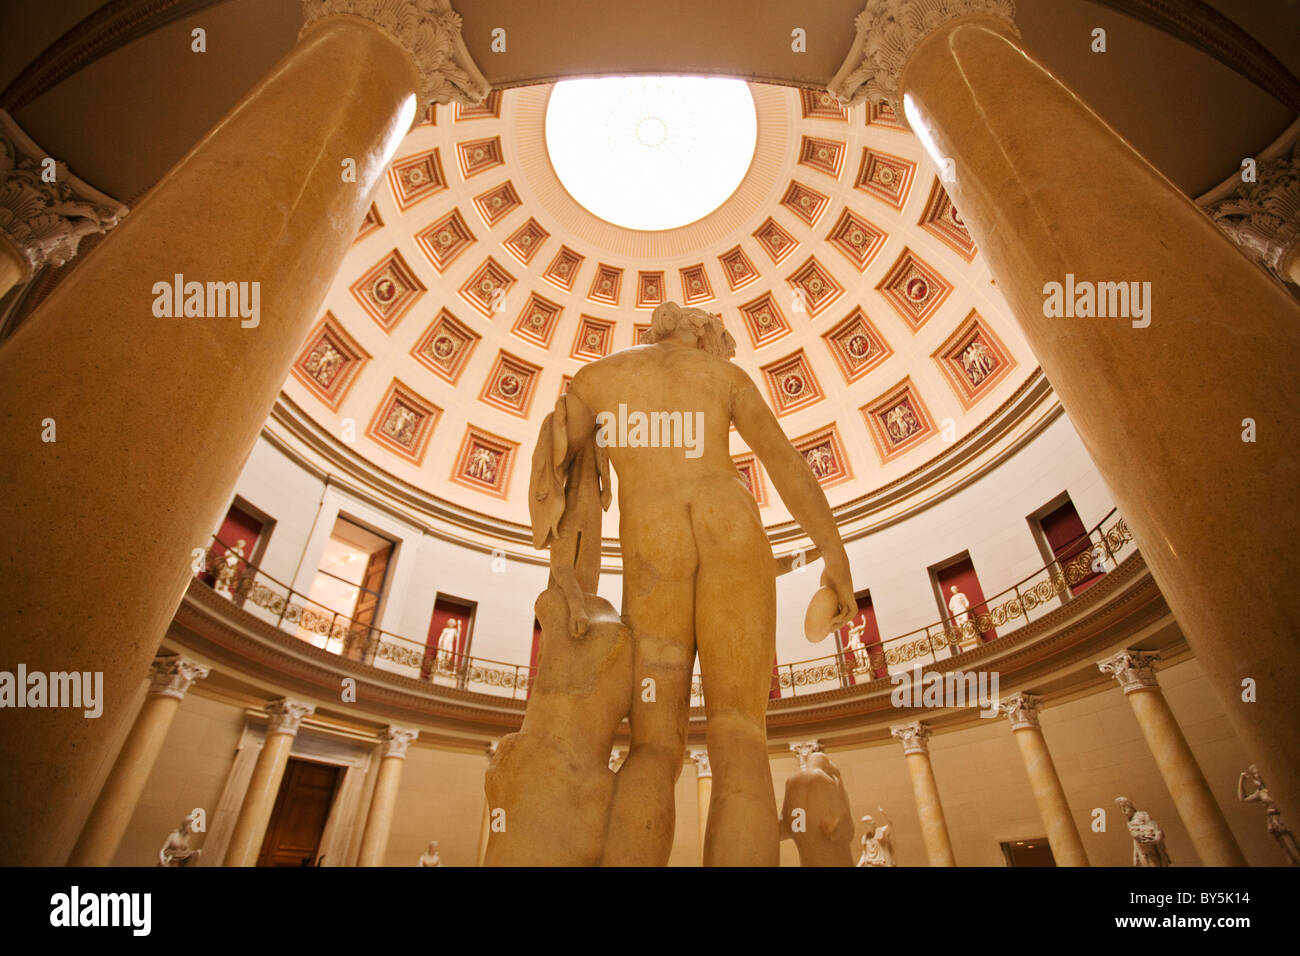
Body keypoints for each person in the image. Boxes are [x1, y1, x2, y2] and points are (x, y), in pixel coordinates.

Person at [562, 302, 856, 866]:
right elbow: (785, 463)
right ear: (703, 335)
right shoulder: (723, 376)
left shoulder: (597, 380)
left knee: (653, 744)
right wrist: (832, 551)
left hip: (653, 545)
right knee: (738, 732)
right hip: (731, 525)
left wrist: (575, 588)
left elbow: (568, 490)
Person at [1115, 797, 1170, 866]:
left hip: (1151, 849)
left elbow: (1157, 830)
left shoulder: (1142, 814)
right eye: (1121, 808)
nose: (1123, 810)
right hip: (1142, 851)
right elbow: (1135, 839)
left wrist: (1155, 840)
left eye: (1124, 807)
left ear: (1130, 806)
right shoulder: (1129, 822)